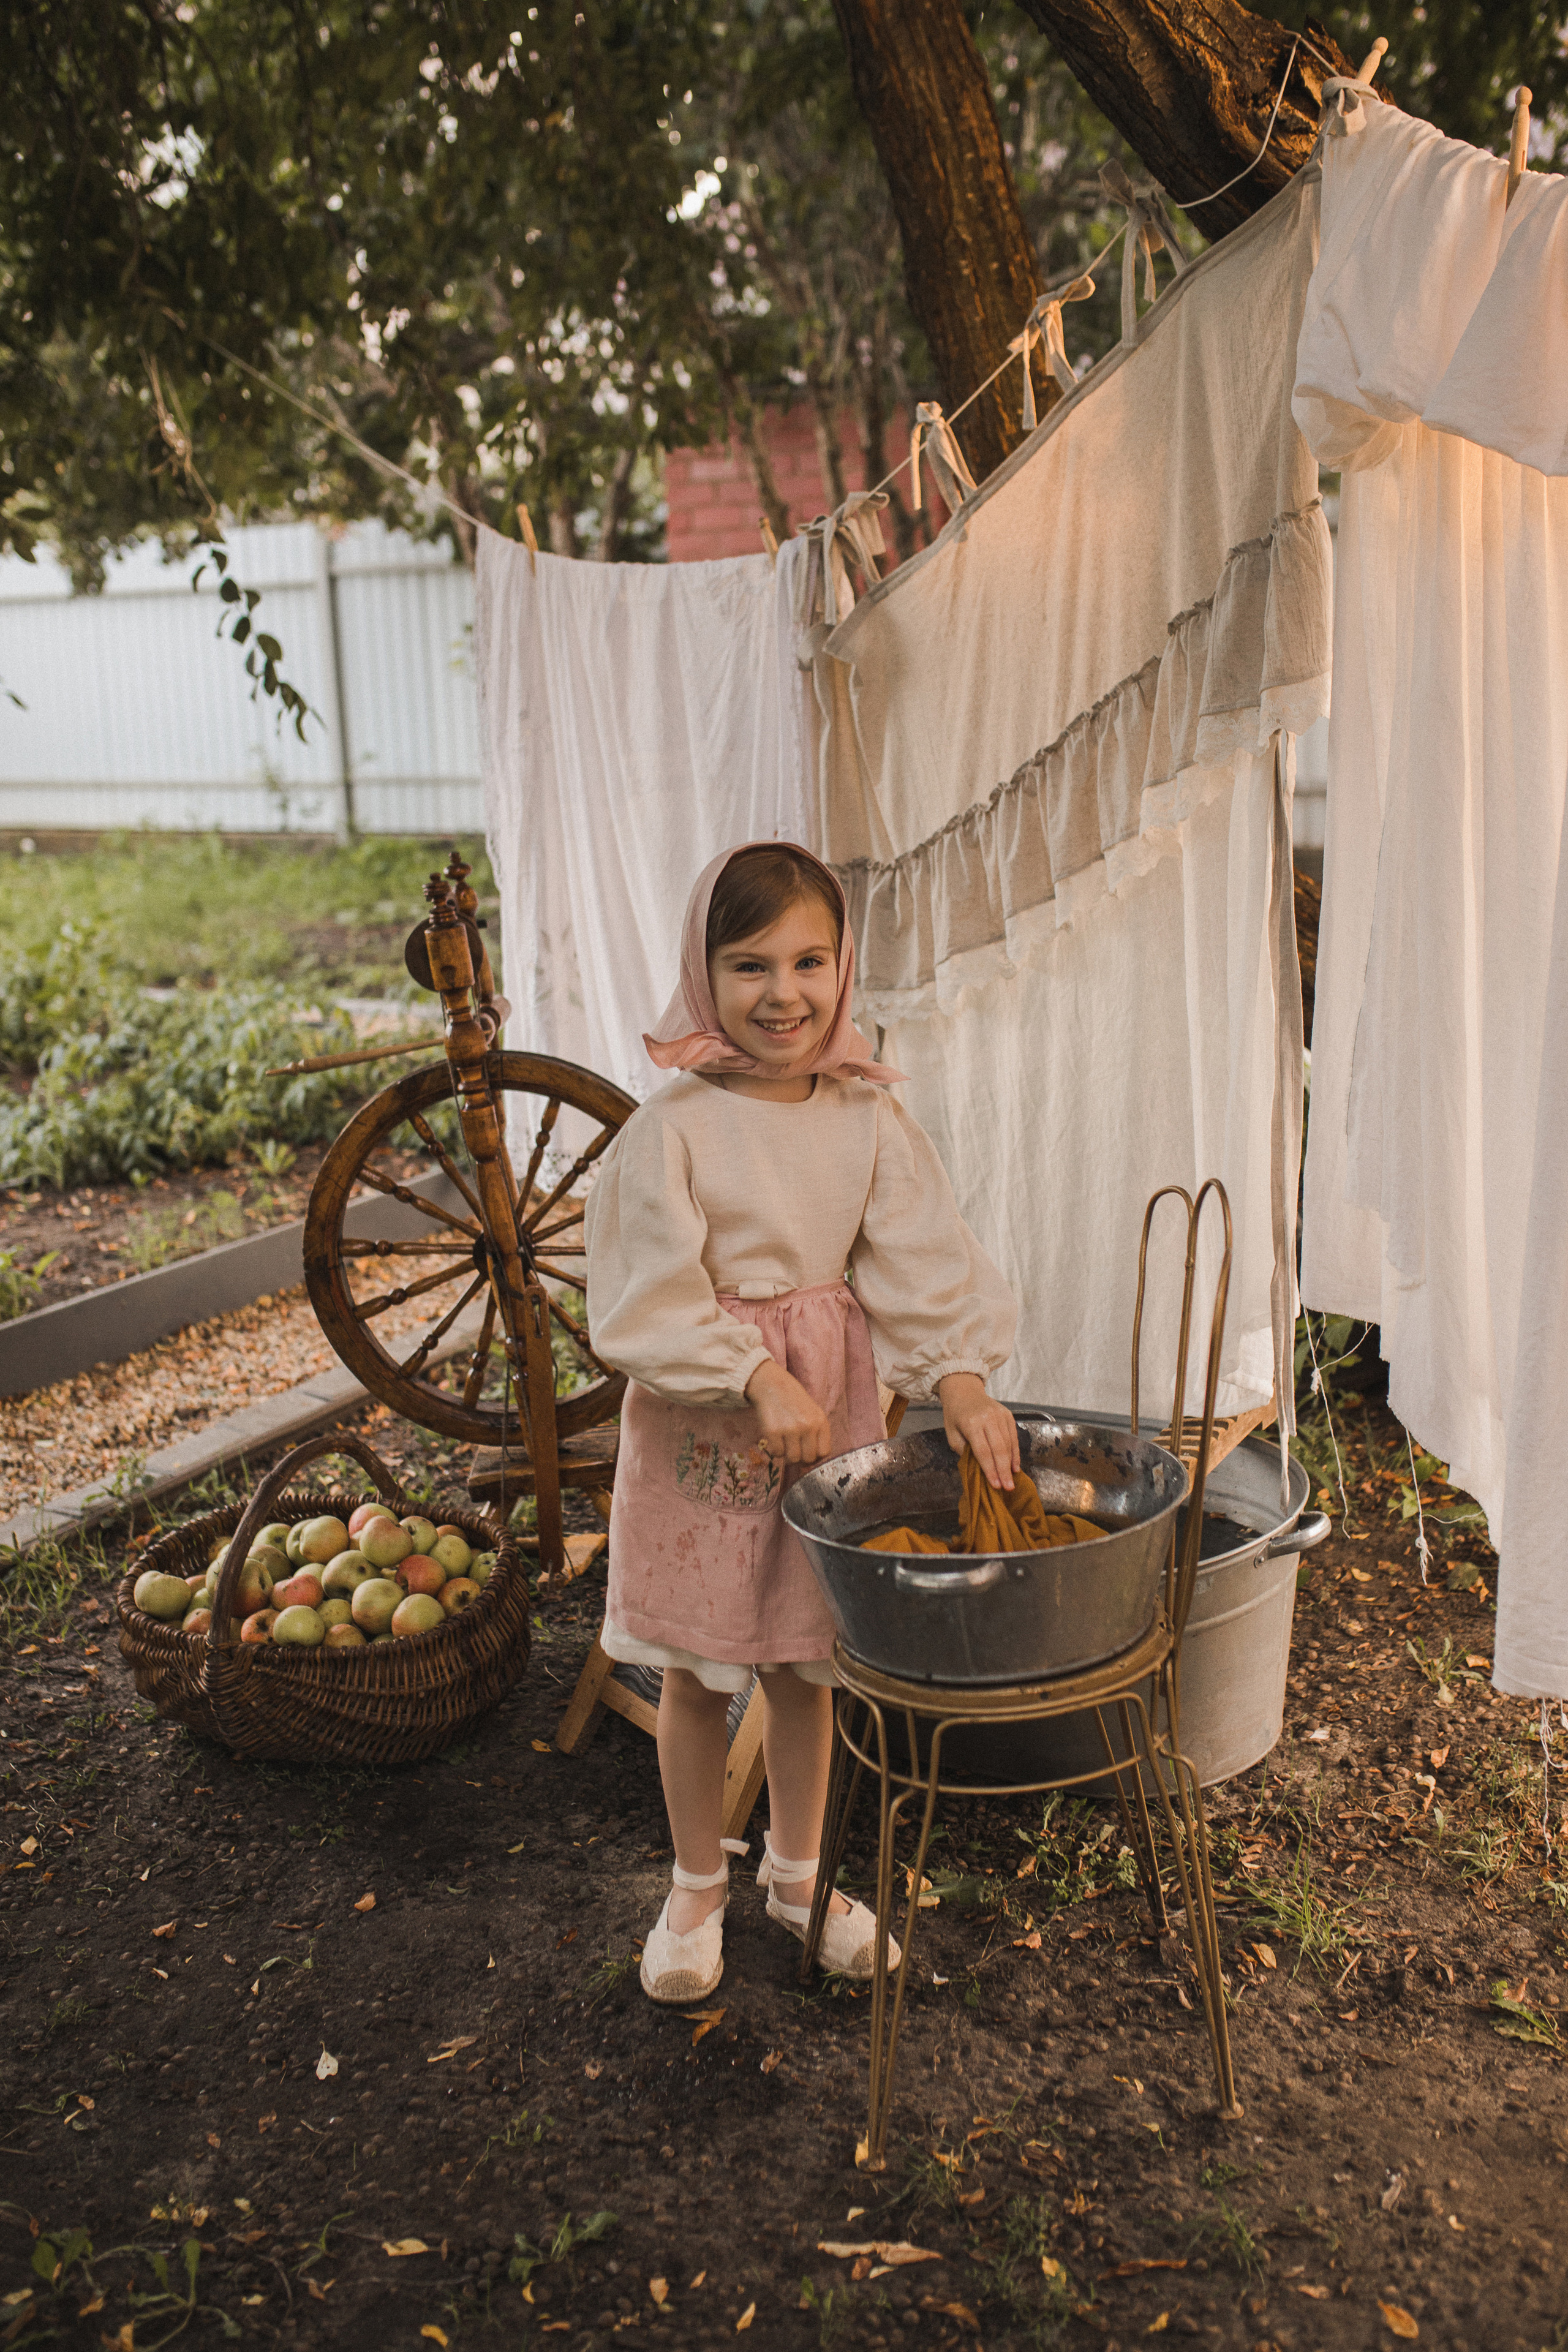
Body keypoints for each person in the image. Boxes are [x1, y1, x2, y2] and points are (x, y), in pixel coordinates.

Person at [584, 841, 1019, 2003]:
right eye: (750, 965)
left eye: (810, 960)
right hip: (704, 1435)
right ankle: (693, 1884)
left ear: (843, 966)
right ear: (704, 973)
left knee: (803, 1664)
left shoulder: (865, 1118)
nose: (786, 992)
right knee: (696, 1668)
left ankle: (794, 1875)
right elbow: (645, 1297)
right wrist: (747, 1372)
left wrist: (959, 1375)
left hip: (830, 1429)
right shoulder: (671, 1128)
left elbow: (923, 1259)